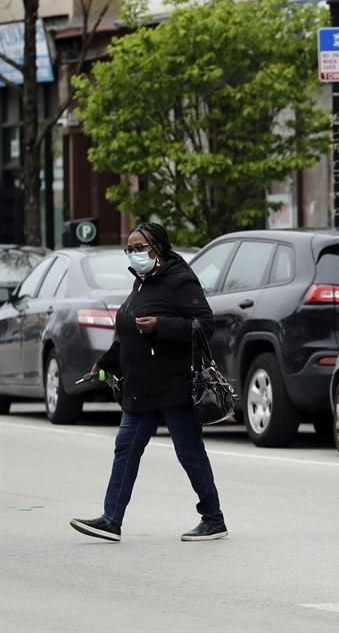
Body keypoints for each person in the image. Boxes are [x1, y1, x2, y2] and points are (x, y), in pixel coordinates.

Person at [70, 223, 227, 543]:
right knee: (125, 449)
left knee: (189, 452)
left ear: (159, 247)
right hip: (139, 389)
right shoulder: (140, 284)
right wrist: (106, 362)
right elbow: (127, 334)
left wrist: (161, 326)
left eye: (140, 247)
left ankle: (213, 518)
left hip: (175, 386)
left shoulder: (179, 280)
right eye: (129, 248)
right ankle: (111, 520)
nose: (134, 253)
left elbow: (204, 325)